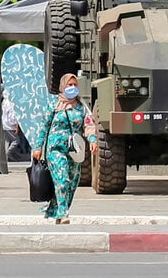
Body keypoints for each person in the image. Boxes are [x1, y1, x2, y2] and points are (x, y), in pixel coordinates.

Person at [31, 73, 99, 224]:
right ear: (63, 87)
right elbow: (44, 126)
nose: (72, 88)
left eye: (75, 85)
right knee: (62, 179)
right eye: (69, 85)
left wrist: (92, 140)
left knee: (72, 182)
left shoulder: (81, 106)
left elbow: (88, 124)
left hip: (75, 151)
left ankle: (56, 210)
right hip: (55, 148)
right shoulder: (54, 105)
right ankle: (63, 213)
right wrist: (38, 147)